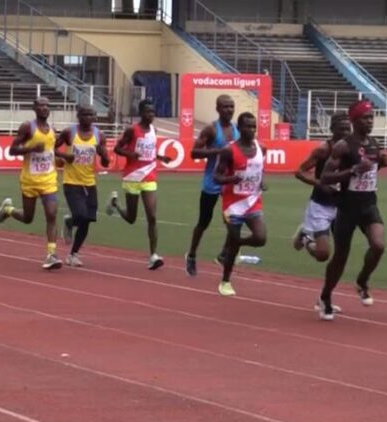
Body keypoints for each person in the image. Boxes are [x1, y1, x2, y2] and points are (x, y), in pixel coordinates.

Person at [316, 100, 387, 321]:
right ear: (355, 120)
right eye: (365, 118)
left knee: (378, 245)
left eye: (371, 118)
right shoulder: (343, 146)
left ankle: (362, 280)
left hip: (369, 204)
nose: (370, 121)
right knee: (340, 257)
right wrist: (353, 170)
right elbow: (325, 177)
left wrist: (382, 164)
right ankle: (326, 297)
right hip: (347, 207)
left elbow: (371, 171)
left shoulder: (374, 143)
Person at [0, 97, 70, 270]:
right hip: (30, 180)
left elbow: (51, 151)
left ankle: (52, 254)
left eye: (47, 105)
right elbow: (12, 149)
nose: (45, 108)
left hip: (49, 179)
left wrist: (60, 160)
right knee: (28, 218)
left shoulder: (52, 130)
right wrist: (31, 148)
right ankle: (8, 210)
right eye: (41, 105)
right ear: (34, 108)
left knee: (51, 214)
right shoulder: (28, 127)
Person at [106, 99, 171, 270]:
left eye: (153, 112)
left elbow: (150, 151)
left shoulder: (153, 130)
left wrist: (161, 157)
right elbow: (117, 149)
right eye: (148, 112)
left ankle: (153, 255)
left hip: (149, 176)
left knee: (152, 216)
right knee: (131, 218)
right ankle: (115, 204)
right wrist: (130, 154)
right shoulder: (131, 131)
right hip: (132, 177)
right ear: (141, 112)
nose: (151, 115)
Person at [213, 112, 267, 297]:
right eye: (247, 126)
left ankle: (231, 249)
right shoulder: (229, 151)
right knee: (234, 240)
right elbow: (217, 176)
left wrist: (262, 181)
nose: (251, 130)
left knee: (260, 238)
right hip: (233, 204)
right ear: (239, 128)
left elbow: (260, 168)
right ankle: (225, 281)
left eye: (254, 127)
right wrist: (230, 178)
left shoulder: (262, 148)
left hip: (253, 201)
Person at [184, 95, 237, 276]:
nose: (229, 110)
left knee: (233, 222)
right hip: (212, 182)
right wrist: (217, 151)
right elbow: (194, 153)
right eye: (225, 107)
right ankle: (191, 254)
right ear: (217, 109)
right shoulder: (211, 130)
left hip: (228, 184)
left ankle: (223, 254)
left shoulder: (237, 130)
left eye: (231, 106)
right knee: (203, 222)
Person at [56, 105, 110, 267]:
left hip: (90, 182)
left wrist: (103, 154)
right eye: (85, 115)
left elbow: (106, 163)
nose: (88, 118)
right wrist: (65, 155)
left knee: (88, 219)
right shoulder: (69, 133)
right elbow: (52, 148)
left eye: (91, 115)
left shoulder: (99, 135)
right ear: (78, 116)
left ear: (95, 117)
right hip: (71, 182)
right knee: (80, 215)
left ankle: (73, 254)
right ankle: (70, 222)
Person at [292, 112, 351, 263]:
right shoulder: (324, 149)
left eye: (347, 129)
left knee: (342, 249)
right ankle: (305, 237)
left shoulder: (353, 149)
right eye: (341, 129)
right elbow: (300, 171)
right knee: (322, 254)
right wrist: (321, 184)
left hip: (342, 205)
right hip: (321, 205)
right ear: (332, 129)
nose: (345, 133)